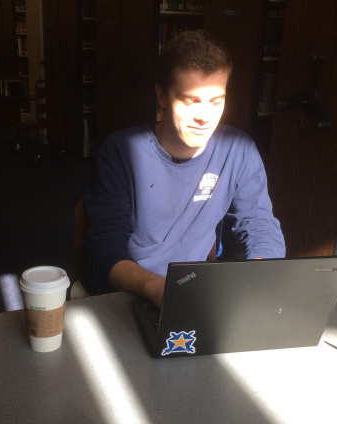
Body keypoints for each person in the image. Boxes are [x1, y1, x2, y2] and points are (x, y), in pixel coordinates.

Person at [80, 29, 285, 307]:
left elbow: (260, 225)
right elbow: (103, 247)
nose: (204, 117)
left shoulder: (239, 149)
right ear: (162, 96)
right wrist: (155, 287)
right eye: (190, 101)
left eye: (216, 101)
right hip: (124, 295)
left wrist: (259, 275)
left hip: (189, 293)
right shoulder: (120, 151)